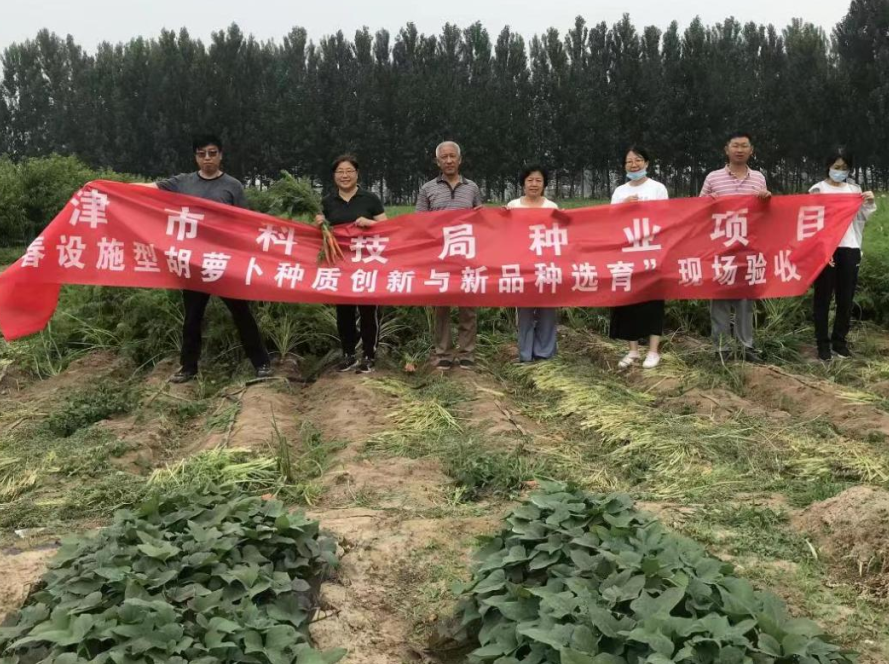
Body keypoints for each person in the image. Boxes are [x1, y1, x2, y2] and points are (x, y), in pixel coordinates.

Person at [136, 133, 272, 383]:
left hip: (224, 262)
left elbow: (245, 222)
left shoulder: (233, 186)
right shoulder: (182, 182)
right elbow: (149, 189)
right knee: (192, 317)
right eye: (201, 154)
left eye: (212, 153)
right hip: (193, 263)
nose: (207, 158)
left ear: (220, 155)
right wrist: (107, 187)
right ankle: (188, 367)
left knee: (242, 313)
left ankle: (261, 363)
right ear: (195, 157)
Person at [700, 131, 772, 363]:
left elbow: (764, 215)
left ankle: (746, 346)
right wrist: (708, 204)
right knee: (719, 297)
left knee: (745, 300)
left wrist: (766, 199)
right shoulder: (713, 178)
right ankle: (721, 348)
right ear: (727, 149)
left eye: (744, 146)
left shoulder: (759, 178)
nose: (739, 150)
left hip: (748, 247)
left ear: (751, 150)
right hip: (721, 247)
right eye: (735, 145)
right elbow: (698, 209)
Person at [315, 154, 387, 373]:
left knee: (367, 309)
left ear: (357, 174)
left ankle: (368, 354)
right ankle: (348, 353)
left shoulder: (370, 199)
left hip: (366, 263)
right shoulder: (326, 202)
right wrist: (318, 223)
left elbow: (388, 228)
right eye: (340, 172)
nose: (344, 175)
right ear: (334, 176)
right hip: (340, 265)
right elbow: (319, 234)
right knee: (343, 310)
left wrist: (370, 224)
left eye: (349, 171)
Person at [416, 140, 483, 369]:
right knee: (441, 306)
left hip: (466, 256)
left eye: (452, 156)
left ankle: (467, 352)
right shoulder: (427, 189)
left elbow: (480, 220)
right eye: (443, 157)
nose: (448, 160)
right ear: (437, 162)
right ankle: (443, 352)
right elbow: (419, 223)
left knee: (468, 306)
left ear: (460, 159)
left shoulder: (472, 188)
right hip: (440, 257)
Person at [809, 149, 876, 361]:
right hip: (826, 250)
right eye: (837, 167)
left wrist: (869, 201)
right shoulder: (818, 189)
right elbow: (812, 223)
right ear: (828, 167)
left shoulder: (854, 189)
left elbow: (863, 218)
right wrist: (821, 249)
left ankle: (839, 341)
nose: (840, 171)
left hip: (850, 247)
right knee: (823, 297)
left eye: (845, 168)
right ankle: (822, 344)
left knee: (845, 298)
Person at [610, 147, 669, 369]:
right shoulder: (619, 191)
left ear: (647, 163)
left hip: (652, 252)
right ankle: (633, 350)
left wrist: (644, 208)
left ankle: (653, 351)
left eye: (638, 160)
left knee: (653, 301)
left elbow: (666, 217)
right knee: (628, 301)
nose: (634, 164)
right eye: (629, 161)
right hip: (627, 253)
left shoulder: (657, 188)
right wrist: (624, 208)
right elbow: (609, 221)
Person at [506, 165, 559, 363]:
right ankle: (526, 354)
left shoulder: (551, 207)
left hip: (546, 264)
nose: (534, 184)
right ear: (523, 183)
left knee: (547, 310)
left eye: (538, 180)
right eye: (530, 180)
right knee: (525, 311)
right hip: (522, 265)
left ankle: (545, 353)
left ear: (544, 184)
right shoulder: (512, 206)